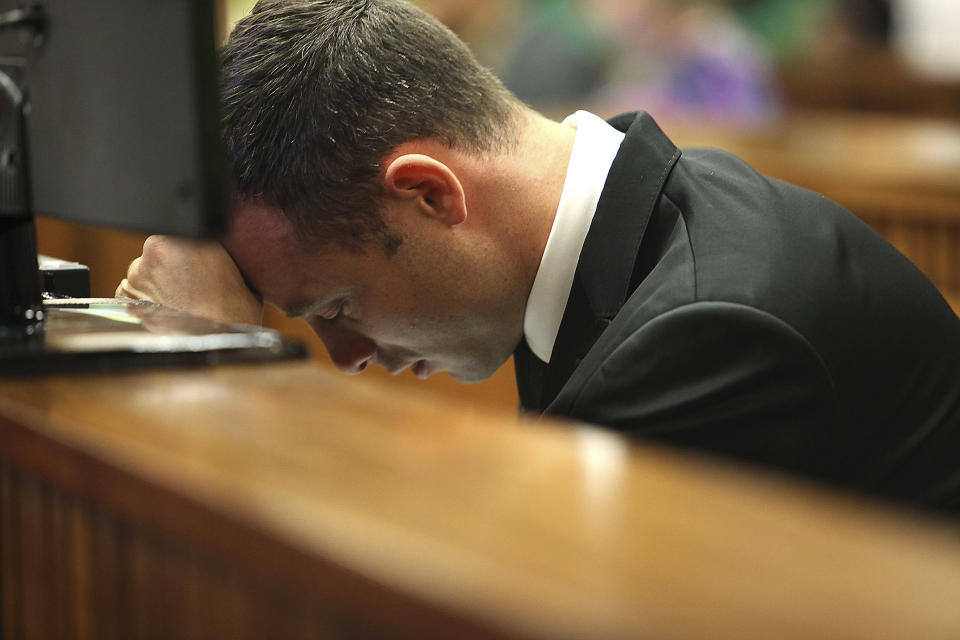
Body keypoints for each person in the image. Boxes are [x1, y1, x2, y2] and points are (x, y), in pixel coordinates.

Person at [118, 0, 960, 514]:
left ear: (431, 194)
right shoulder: (631, 230)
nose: (346, 359)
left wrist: (217, 378)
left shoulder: (704, 332)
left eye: (335, 307)